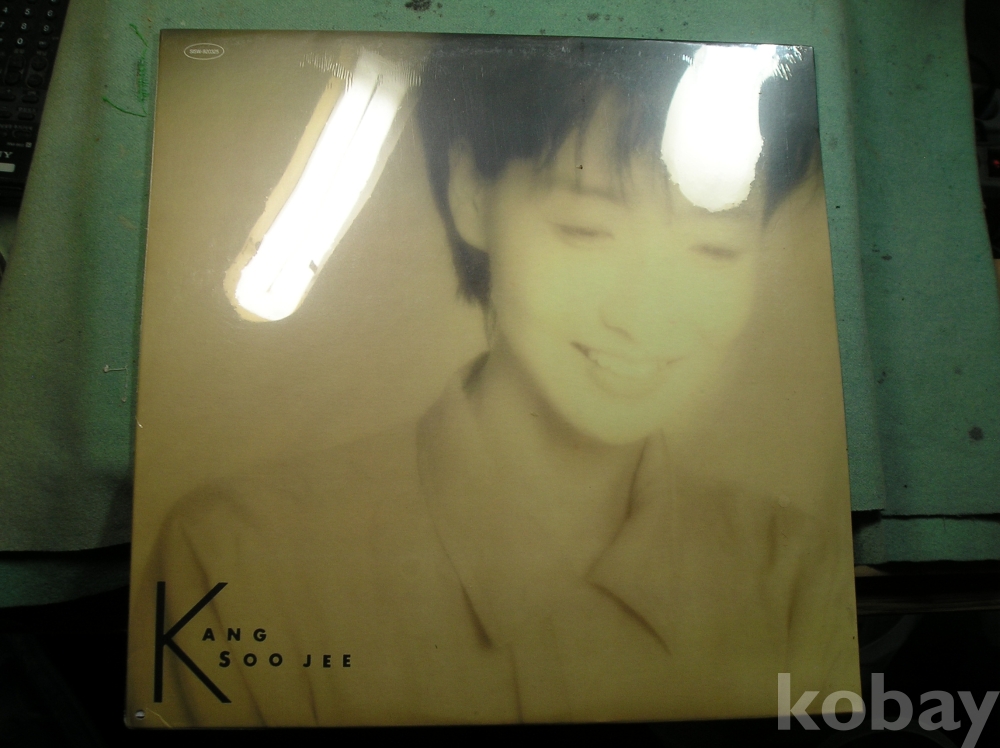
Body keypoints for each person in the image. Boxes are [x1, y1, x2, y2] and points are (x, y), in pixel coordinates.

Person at [131, 37, 859, 727]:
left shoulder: (792, 578)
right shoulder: (240, 560)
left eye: (714, 248)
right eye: (587, 230)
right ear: (471, 194)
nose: (645, 317)